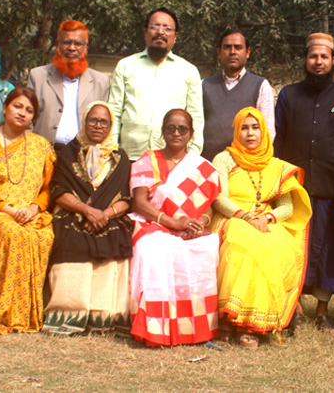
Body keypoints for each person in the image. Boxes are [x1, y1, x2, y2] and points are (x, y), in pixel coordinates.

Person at [274, 33, 334, 332]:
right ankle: (294, 307)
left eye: (324, 57)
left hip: (330, 188)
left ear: (333, 61)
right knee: (293, 248)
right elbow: (278, 141)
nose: (318, 62)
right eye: (313, 56)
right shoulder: (288, 95)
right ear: (305, 60)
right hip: (293, 189)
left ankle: (322, 311)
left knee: (328, 252)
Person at [211, 108, 311, 349]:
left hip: (266, 222)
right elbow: (219, 198)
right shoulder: (224, 159)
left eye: (255, 127)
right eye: (244, 128)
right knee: (240, 246)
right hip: (232, 217)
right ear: (236, 132)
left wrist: (265, 218)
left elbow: (287, 207)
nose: (250, 133)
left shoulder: (275, 165)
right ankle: (228, 318)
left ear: (264, 131)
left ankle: (250, 325)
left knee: (279, 248)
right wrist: (247, 217)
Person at [128, 109, 221, 346]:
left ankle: (196, 327)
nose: (176, 133)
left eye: (182, 129)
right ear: (163, 131)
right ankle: (156, 327)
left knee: (207, 246)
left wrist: (200, 223)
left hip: (188, 226)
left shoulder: (202, 167)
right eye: (170, 128)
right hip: (153, 223)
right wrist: (173, 223)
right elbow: (139, 202)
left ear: (191, 134)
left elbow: (208, 207)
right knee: (157, 247)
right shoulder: (148, 160)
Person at [0, 87, 55, 333]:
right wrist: (8, 210)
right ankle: (0, 313)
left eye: (29, 110)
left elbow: (49, 189)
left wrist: (35, 208)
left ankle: (27, 315)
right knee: (10, 232)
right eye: (17, 106)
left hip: (29, 212)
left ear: (33, 118)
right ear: (5, 108)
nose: (22, 113)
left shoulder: (41, 146)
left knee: (43, 235)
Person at [43, 101, 133, 335]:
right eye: (93, 120)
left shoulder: (120, 157)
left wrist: (104, 214)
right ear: (84, 122)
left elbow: (126, 197)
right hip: (73, 212)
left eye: (104, 122)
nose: (98, 125)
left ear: (111, 126)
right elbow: (58, 190)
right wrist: (86, 211)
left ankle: (104, 316)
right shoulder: (68, 153)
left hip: (109, 216)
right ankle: (68, 312)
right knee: (72, 236)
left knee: (117, 237)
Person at [109, 8, 204, 160]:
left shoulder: (188, 71)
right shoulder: (126, 66)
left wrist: (191, 156)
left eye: (167, 28)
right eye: (154, 26)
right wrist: (112, 150)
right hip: (129, 156)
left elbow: (196, 118)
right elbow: (114, 111)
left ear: (175, 36)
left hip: (172, 159)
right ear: (145, 32)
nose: (160, 32)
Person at [28, 20, 110, 144]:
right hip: (42, 150)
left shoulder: (101, 83)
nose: (71, 48)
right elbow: (27, 119)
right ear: (57, 44)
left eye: (78, 43)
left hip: (83, 152)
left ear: (86, 47)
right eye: (66, 42)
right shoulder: (38, 76)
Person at [200, 29, 275, 161]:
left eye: (238, 47)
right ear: (219, 52)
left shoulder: (260, 85)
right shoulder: (204, 84)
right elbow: (195, 124)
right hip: (207, 163)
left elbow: (267, 132)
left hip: (244, 165)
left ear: (247, 52)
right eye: (227, 47)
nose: (232, 52)